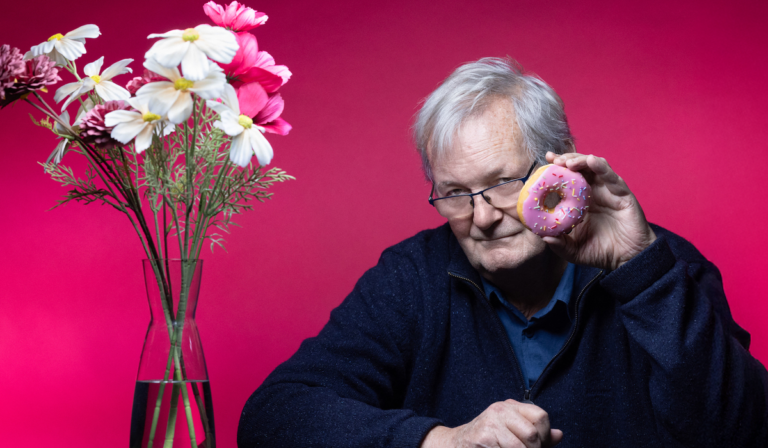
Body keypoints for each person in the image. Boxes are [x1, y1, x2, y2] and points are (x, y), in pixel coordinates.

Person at [237, 57, 768, 448]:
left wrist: (640, 272)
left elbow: (743, 431)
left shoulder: (664, 265)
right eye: (454, 193)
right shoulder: (410, 277)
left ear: (559, 169)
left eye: (503, 183)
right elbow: (275, 416)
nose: (484, 216)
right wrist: (442, 441)